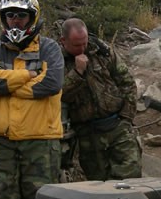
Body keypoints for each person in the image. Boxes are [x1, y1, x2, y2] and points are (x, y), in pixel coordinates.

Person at [0, 0, 64, 199]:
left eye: (21, 15)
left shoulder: (49, 48)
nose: (15, 20)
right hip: (1, 140)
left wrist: (8, 84)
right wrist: (28, 74)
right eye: (10, 15)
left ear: (32, 17)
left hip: (39, 140)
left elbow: (51, 84)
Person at [59, 18, 142, 180]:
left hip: (117, 126)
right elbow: (60, 95)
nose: (82, 48)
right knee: (99, 185)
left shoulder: (102, 52)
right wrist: (77, 73)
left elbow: (127, 83)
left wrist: (126, 118)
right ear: (64, 41)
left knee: (131, 178)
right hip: (87, 134)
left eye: (85, 42)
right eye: (77, 45)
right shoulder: (57, 61)